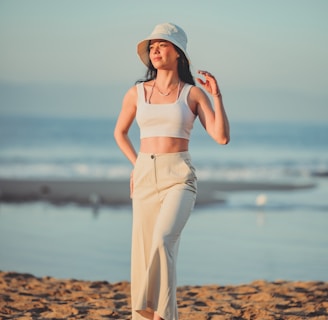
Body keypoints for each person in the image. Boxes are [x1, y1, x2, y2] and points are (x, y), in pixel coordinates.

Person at [114, 22, 230, 320]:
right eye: (151, 47)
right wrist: (136, 164)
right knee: (142, 251)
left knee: (163, 239)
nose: (155, 50)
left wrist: (217, 96)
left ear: (178, 53)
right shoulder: (136, 92)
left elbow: (221, 137)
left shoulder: (192, 94)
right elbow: (120, 133)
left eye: (161, 45)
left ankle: (165, 316)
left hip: (178, 176)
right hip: (144, 175)